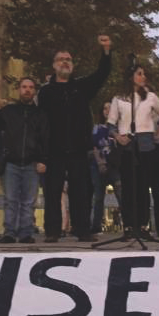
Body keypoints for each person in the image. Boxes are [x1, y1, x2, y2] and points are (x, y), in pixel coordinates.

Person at [38, 34, 113, 243]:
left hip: (79, 150)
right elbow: (41, 124)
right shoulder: (46, 92)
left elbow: (101, 74)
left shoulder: (81, 87)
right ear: (54, 65)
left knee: (81, 192)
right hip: (54, 150)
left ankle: (82, 230)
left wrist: (106, 51)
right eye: (61, 59)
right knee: (53, 193)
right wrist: (41, 154)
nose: (65, 62)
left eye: (68, 59)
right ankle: (52, 231)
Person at [107, 66, 159, 239]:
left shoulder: (150, 96)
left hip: (146, 143)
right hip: (127, 143)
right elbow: (110, 124)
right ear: (131, 76)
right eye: (139, 74)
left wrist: (158, 133)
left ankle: (142, 225)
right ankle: (128, 225)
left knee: (143, 186)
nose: (143, 76)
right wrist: (118, 137)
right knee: (127, 187)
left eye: (143, 74)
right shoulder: (119, 98)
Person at [0, 77, 49, 244]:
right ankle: (9, 232)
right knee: (10, 199)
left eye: (31, 87)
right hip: (12, 163)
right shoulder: (9, 111)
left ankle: (25, 232)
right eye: (24, 87)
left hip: (32, 163)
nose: (27, 90)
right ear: (19, 89)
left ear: (34, 91)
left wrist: (43, 160)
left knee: (28, 201)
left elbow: (45, 138)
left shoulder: (40, 114)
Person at [90, 102, 120, 234]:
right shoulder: (97, 128)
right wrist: (100, 163)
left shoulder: (119, 128)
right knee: (98, 197)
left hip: (115, 167)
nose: (108, 110)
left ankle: (128, 226)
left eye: (110, 108)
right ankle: (96, 226)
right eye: (105, 108)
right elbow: (94, 146)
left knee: (121, 194)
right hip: (99, 166)